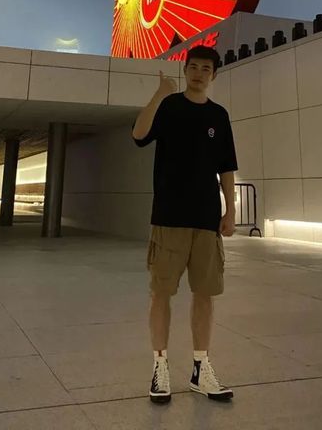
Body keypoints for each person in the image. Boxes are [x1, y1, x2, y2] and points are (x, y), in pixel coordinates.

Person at [132, 45, 238, 404]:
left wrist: (230, 210)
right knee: (161, 292)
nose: (198, 73)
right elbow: (139, 135)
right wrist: (159, 94)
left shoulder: (219, 115)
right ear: (185, 70)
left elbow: (227, 166)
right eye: (193, 67)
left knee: (205, 293)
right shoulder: (169, 106)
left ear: (214, 75)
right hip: (169, 217)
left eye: (205, 69)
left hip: (206, 219)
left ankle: (200, 369)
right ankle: (160, 367)